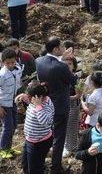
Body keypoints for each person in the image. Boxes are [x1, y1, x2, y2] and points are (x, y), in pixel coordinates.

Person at [35, 37, 76, 174]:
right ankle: (56, 167)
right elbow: (73, 80)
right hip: (60, 107)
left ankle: (39, 162)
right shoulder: (62, 67)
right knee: (59, 138)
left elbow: (53, 66)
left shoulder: (39, 61)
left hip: (45, 104)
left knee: (45, 135)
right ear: (55, 49)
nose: (64, 49)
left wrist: (61, 59)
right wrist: (65, 63)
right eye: (62, 47)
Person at [19, 82, 54, 174]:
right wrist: (25, 98)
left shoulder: (46, 106)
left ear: (40, 97)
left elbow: (45, 121)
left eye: (30, 97)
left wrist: (38, 106)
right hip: (30, 140)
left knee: (35, 169)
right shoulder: (36, 101)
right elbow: (33, 106)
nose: (29, 99)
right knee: (25, 164)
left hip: (39, 143)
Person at [0, 48, 22, 159]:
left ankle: (8, 147)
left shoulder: (18, 69)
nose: (10, 65)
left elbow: (18, 86)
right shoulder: (2, 74)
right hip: (4, 104)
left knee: (14, 125)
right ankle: (2, 149)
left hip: (13, 102)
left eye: (12, 62)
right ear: (2, 62)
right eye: (7, 63)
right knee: (7, 127)